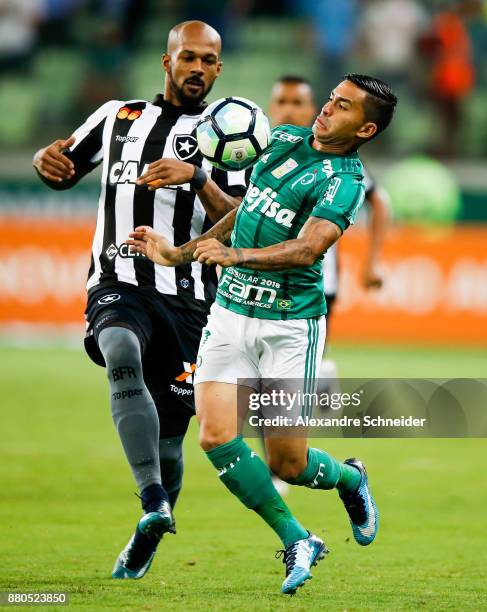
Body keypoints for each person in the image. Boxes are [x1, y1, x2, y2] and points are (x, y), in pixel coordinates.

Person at [126, 74, 398, 594]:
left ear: (364, 128)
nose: (326, 108)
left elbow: (307, 249)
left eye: (342, 107)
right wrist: (177, 252)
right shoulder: (282, 141)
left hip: (289, 327)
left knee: (288, 464)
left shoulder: (344, 181)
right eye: (331, 97)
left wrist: (236, 257)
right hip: (229, 315)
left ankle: (350, 478)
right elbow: (241, 215)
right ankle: (297, 538)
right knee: (214, 435)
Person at [33, 20, 248, 580]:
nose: (197, 68)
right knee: (120, 351)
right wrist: (45, 163)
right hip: (117, 278)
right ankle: (153, 499)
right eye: (188, 58)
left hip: (191, 298)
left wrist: (198, 176)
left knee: (172, 442)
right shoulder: (116, 117)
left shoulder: (234, 132)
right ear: (167, 61)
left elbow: (243, 221)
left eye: (208, 60)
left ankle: (151, 524)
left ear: (219, 68)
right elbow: (63, 168)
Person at [269, 75, 390, 403]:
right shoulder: (265, 150)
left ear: (310, 108)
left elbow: (379, 200)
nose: (289, 110)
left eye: (297, 103)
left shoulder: (340, 164)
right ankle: (317, 375)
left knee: (281, 384)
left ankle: (312, 379)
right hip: (259, 276)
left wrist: (372, 263)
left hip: (317, 279)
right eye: (282, 102)